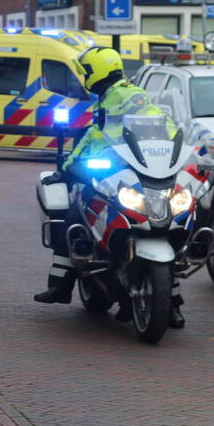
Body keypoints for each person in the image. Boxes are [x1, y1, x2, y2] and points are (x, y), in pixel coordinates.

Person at [32, 46, 185, 328]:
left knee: (78, 218)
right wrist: (68, 168)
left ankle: (62, 286)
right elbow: (97, 135)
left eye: (87, 71)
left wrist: (182, 154)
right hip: (118, 170)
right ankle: (67, 282)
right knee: (81, 214)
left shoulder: (127, 96)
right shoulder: (108, 98)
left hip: (126, 170)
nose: (86, 76)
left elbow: (155, 127)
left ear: (97, 71)